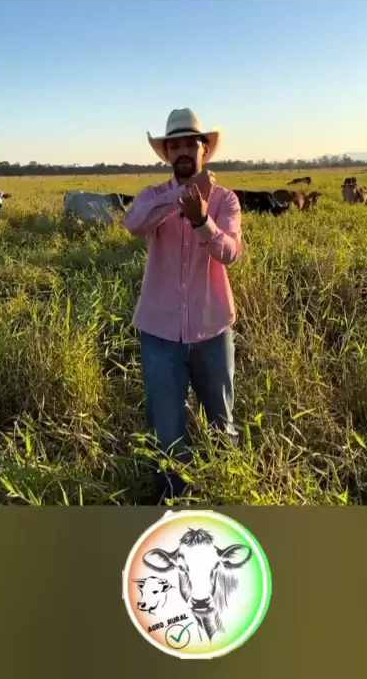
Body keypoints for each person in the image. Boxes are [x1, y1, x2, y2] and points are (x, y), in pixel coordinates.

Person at [123, 108, 242, 502]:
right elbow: (134, 224)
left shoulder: (225, 199)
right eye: (174, 145)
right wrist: (183, 197)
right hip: (160, 335)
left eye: (191, 143)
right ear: (167, 154)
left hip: (212, 329)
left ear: (204, 149)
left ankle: (225, 494)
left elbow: (230, 252)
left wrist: (202, 219)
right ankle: (172, 504)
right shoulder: (153, 196)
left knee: (221, 423)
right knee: (167, 430)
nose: (183, 150)